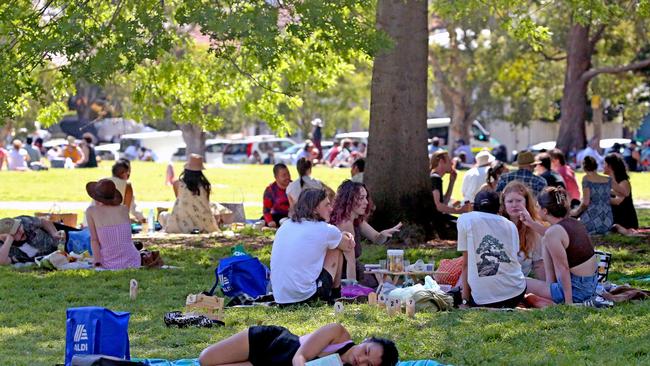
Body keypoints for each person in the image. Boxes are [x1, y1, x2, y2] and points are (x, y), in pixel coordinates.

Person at [270, 189, 356, 306]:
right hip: (305, 297)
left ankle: (334, 293)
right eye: (327, 205)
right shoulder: (325, 229)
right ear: (315, 209)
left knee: (332, 242)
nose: (331, 209)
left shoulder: (285, 226)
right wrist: (346, 235)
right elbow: (348, 246)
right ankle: (335, 294)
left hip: (281, 297)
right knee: (335, 247)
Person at [198, 322, 399, 366]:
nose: (361, 360)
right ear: (366, 340)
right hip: (270, 342)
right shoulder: (338, 334)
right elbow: (300, 356)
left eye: (369, 365)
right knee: (205, 359)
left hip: (269, 365)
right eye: (366, 351)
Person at [525, 187, 598, 305]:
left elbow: (563, 268)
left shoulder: (553, 233)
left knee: (521, 283)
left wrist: (568, 302)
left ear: (544, 211)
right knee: (545, 240)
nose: (536, 208)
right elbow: (550, 235)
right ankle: (550, 286)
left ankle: (554, 291)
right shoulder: (573, 223)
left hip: (577, 291)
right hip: (590, 285)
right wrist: (530, 223)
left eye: (538, 206)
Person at [458, 190, 527, 308]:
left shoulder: (465, 220)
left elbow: (466, 265)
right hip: (516, 292)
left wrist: (465, 301)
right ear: (500, 208)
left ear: (473, 207)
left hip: (482, 299)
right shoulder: (510, 225)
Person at [330, 180, 402, 284]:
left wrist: (383, 234)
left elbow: (376, 238)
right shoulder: (345, 224)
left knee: (387, 280)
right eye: (361, 198)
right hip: (343, 273)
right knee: (386, 282)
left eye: (366, 197)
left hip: (355, 267)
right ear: (349, 200)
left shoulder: (356, 220)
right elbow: (350, 263)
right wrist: (352, 290)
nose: (366, 202)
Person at [85, 179, 141, 270]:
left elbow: (94, 240)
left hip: (109, 262)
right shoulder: (124, 209)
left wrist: (97, 261)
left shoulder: (91, 211)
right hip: (133, 260)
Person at [160, 154, 219, 233]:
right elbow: (206, 203)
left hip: (181, 225)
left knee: (163, 215)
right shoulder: (205, 186)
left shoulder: (177, 184)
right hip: (204, 224)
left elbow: (179, 202)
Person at [499, 181, 545, 279]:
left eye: (519, 200)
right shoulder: (496, 225)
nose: (514, 205)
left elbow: (538, 264)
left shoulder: (534, 228)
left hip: (520, 280)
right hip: (497, 279)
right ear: (504, 204)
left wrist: (545, 286)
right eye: (510, 201)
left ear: (526, 202)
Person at [430, 150, 471, 240]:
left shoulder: (436, 178)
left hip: (440, 220)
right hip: (439, 223)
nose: (452, 163)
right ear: (441, 161)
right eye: (449, 161)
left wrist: (452, 182)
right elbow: (438, 206)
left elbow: (444, 202)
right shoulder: (435, 178)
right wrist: (459, 211)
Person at [570, 156, 613, 235]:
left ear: (584, 167)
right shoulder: (608, 179)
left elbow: (586, 203)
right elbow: (621, 192)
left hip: (592, 219)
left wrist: (576, 212)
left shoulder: (586, 179)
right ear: (596, 166)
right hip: (608, 220)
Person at [604, 153, 639, 232]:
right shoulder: (608, 182)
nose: (603, 166)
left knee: (614, 227)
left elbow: (617, 201)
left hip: (626, 220)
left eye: (604, 164)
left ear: (610, 166)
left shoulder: (623, 182)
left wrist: (600, 198)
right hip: (615, 217)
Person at [262, 163, 292, 228]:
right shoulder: (270, 190)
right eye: (284, 175)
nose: (287, 177)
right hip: (276, 218)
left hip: (292, 218)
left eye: (288, 174)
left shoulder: (295, 187)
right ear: (276, 177)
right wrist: (270, 221)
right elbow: (266, 210)